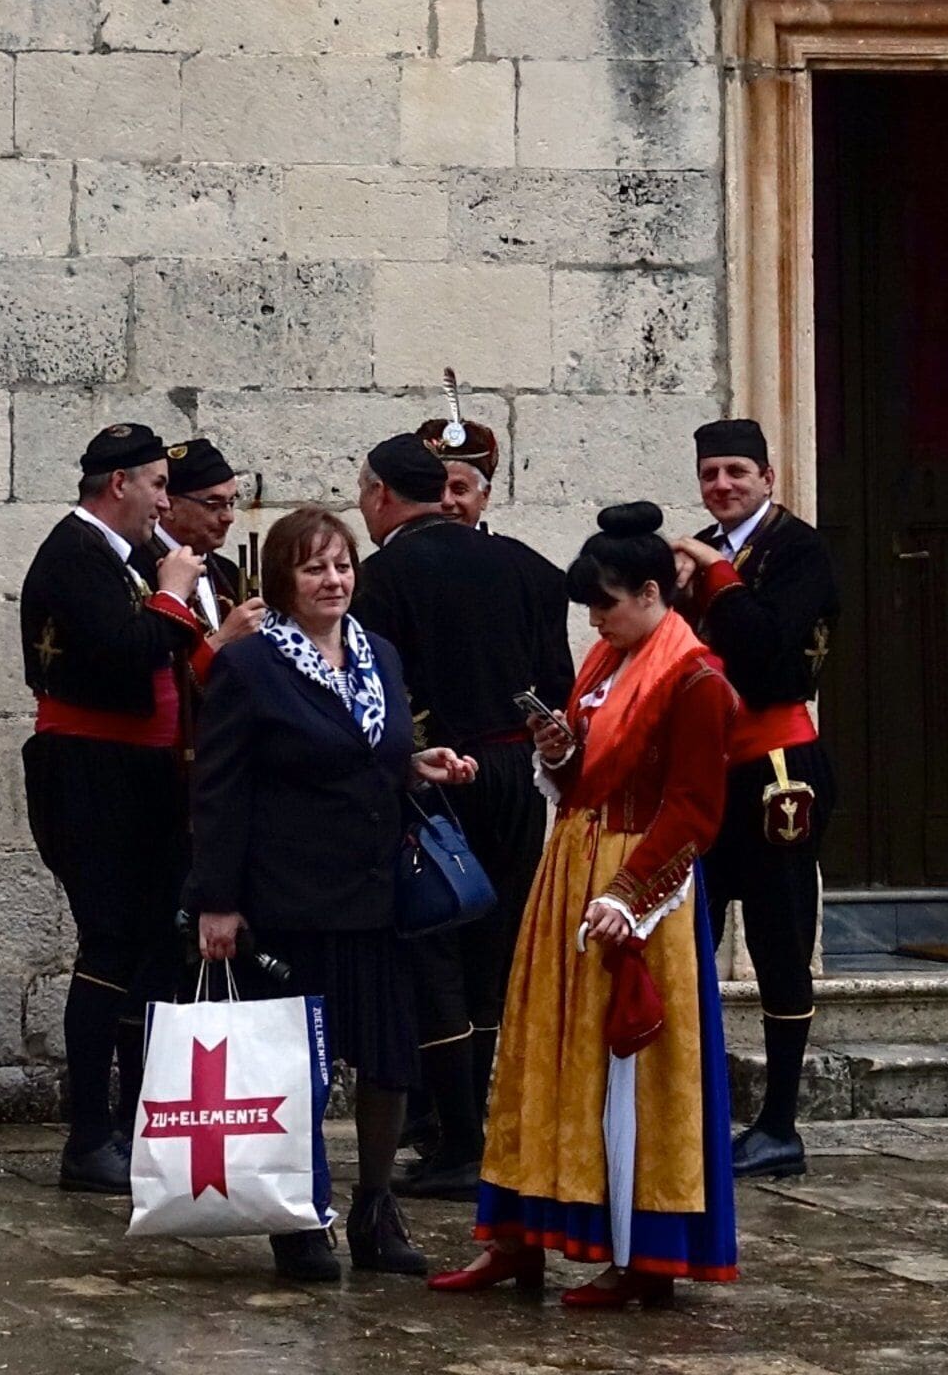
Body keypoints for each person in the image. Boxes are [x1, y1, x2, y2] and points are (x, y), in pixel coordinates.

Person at [428, 503, 741, 1310]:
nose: (595, 619)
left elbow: (695, 808)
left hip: (639, 887)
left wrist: (629, 895)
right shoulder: (606, 660)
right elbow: (586, 772)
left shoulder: (696, 677)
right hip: (569, 866)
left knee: (628, 1072)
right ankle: (519, 1238)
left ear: (648, 591)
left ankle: (645, 1255)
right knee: (543, 1056)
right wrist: (560, 757)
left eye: (605, 602)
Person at [188, 507, 479, 1282]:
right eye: (315, 567)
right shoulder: (250, 666)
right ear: (284, 579)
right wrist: (217, 900)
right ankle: (299, 1214)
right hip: (290, 898)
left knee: (387, 1060)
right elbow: (219, 788)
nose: (334, 580)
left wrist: (420, 764)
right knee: (297, 1069)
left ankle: (376, 1208)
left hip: (376, 895)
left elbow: (372, 750)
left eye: (343, 565)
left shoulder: (377, 654)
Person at [22, 422, 260, 1192]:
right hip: (91, 771)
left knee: (153, 949)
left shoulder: (124, 559)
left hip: (143, 772)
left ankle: (133, 1125)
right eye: (158, 484)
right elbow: (125, 650)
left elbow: (169, 661)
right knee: (110, 945)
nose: (166, 500)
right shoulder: (74, 553)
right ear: (118, 484)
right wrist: (176, 593)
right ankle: (89, 1135)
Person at [349, 428, 575, 1200]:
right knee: (493, 947)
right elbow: (556, 682)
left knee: (432, 949)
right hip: (516, 772)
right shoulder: (527, 567)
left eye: (363, 493)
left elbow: (377, 695)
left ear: (382, 494)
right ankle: (473, 1127)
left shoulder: (382, 579)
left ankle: (457, 1138)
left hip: (439, 772)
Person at [671, 417, 840, 1180]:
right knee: (686, 933)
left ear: (768, 478)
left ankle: (778, 1123)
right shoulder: (700, 552)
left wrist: (715, 576)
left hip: (777, 767)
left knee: (777, 938)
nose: (722, 486)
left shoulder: (797, 550)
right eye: (711, 474)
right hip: (710, 767)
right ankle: (687, 1108)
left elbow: (773, 661)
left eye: (737, 472)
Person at [157, 437, 252, 615]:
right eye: (213, 504)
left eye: (231, 502)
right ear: (169, 507)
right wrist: (223, 638)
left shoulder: (228, 572)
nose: (228, 517)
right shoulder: (140, 566)